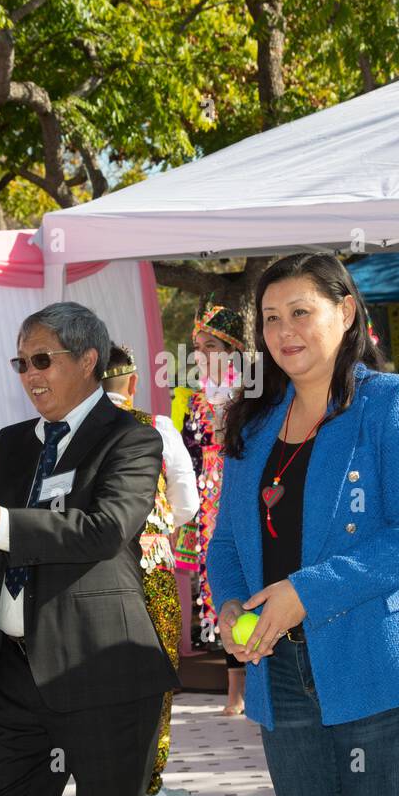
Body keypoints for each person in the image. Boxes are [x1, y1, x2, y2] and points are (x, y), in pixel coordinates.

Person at [206, 253, 399, 796]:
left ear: (347, 311)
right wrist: (231, 603)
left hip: (382, 661)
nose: (284, 331)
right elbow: (228, 542)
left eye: (301, 312)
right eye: (271, 317)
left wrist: (302, 594)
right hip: (277, 667)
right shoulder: (250, 422)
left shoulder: (397, 400)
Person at [0, 301, 179, 796]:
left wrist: (2, 522)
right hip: (15, 673)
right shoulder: (12, 443)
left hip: (103, 672)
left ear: (87, 360)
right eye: (21, 363)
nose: (29, 374)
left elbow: (105, 529)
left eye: (42, 360)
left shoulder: (132, 437)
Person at [102, 343, 198, 796]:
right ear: (135, 383)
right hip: (151, 565)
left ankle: (99, 778)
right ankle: (148, 783)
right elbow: (188, 501)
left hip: (93, 572)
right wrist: (158, 527)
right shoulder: (157, 428)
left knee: (96, 674)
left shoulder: (66, 432)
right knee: (155, 673)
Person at [172, 303, 247, 713]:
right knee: (224, 588)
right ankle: (235, 688)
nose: (202, 353)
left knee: (253, 584)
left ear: (233, 350)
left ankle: (258, 685)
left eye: (211, 345)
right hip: (209, 507)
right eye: (197, 346)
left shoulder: (253, 394)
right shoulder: (196, 399)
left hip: (247, 498)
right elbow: (187, 454)